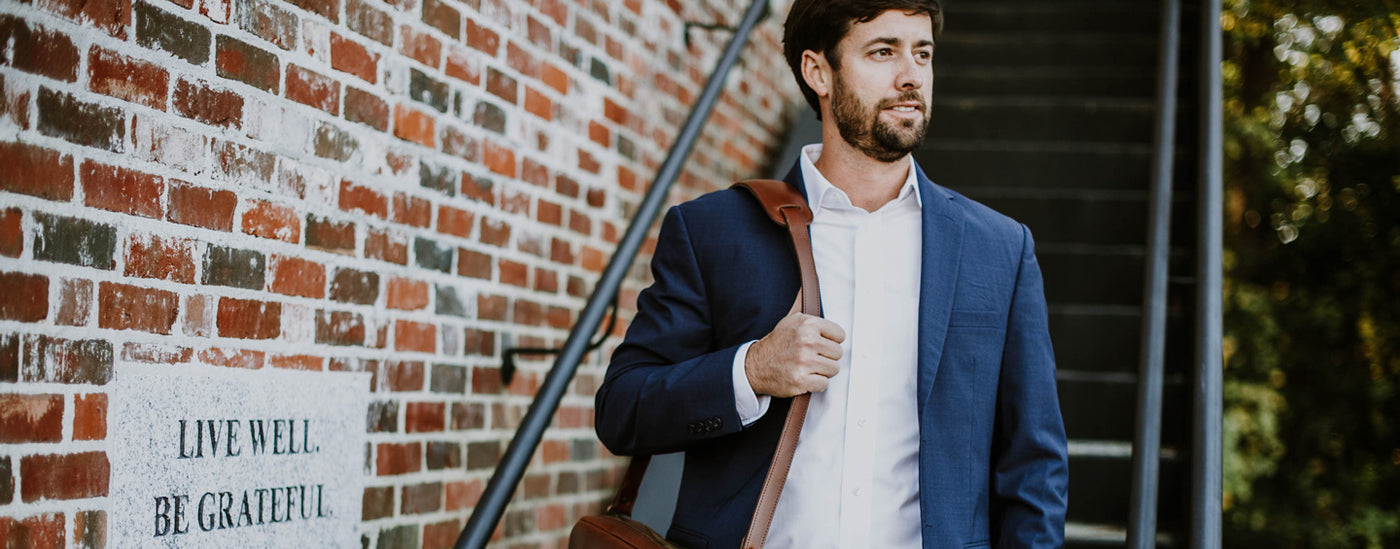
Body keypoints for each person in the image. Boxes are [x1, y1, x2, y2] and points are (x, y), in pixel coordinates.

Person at [594, 0, 1069, 546]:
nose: (911, 74)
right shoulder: (713, 232)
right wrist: (750, 371)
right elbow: (622, 410)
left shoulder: (999, 250)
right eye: (883, 51)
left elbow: (1034, 465)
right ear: (817, 71)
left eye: (922, 53)